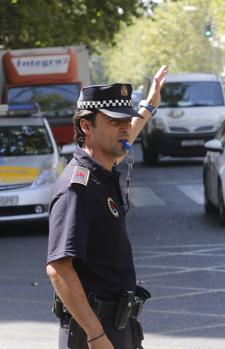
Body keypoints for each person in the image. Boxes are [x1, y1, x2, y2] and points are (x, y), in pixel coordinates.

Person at [46, 65, 168, 349]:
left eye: (128, 119)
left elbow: (125, 138)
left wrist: (149, 105)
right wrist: (96, 335)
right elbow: (59, 269)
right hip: (95, 333)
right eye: (115, 122)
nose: (125, 127)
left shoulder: (101, 167)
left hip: (118, 326)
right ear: (86, 126)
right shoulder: (77, 188)